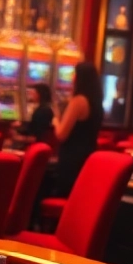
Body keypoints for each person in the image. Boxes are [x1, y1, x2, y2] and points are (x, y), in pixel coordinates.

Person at [53, 61, 103, 197]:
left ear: (79, 78)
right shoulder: (97, 102)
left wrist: (56, 120)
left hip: (72, 160)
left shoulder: (78, 101)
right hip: (87, 157)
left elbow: (61, 134)